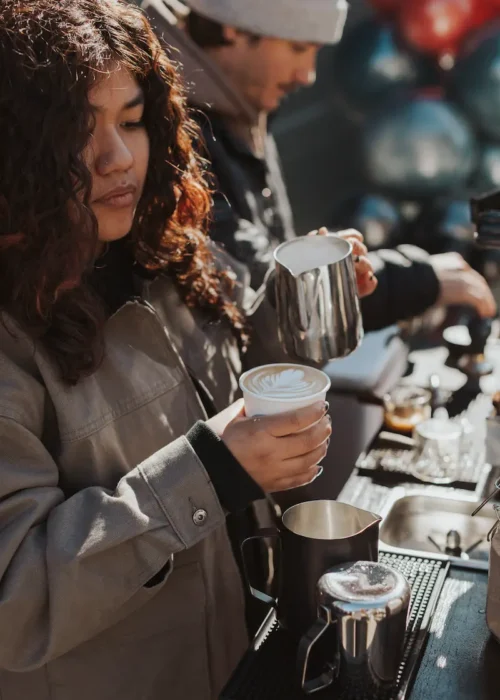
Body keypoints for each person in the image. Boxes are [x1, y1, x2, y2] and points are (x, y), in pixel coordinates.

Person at [0, 1, 381, 698]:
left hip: (232, 656)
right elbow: (16, 599)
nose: (118, 158)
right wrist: (210, 470)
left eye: (132, 119)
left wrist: (300, 304)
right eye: (77, 130)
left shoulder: (160, 247)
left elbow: (236, 370)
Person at [143, 0, 496, 325]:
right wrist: (414, 280)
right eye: (298, 48)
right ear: (231, 29)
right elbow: (248, 281)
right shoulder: (165, 127)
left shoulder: (241, 96)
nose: (308, 75)